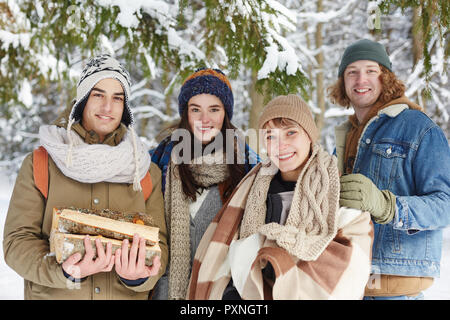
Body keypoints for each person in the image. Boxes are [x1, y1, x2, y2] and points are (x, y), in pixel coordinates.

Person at [3, 54, 168, 300]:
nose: (107, 107)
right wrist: (63, 271)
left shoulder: (143, 171)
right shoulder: (42, 163)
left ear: (125, 108)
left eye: (117, 98)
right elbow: (17, 243)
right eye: (98, 95)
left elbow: (159, 246)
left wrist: (139, 275)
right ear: (82, 100)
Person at [187, 94, 373, 300]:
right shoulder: (252, 190)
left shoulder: (337, 188)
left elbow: (353, 270)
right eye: (270, 136)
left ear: (309, 136)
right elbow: (226, 259)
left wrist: (274, 260)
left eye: (290, 133)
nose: (279, 145)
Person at [328, 38, 450, 300]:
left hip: (396, 290)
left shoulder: (419, 128)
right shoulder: (346, 135)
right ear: (343, 82)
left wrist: (389, 207)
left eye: (371, 71)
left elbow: (446, 204)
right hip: (347, 284)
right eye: (352, 72)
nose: (361, 80)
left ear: (387, 77)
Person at [150, 68, 260, 300]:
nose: (204, 119)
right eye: (195, 109)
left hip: (222, 294)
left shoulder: (248, 168)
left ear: (225, 114)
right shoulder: (158, 163)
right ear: (185, 113)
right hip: (166, 293)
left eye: (214, 109)